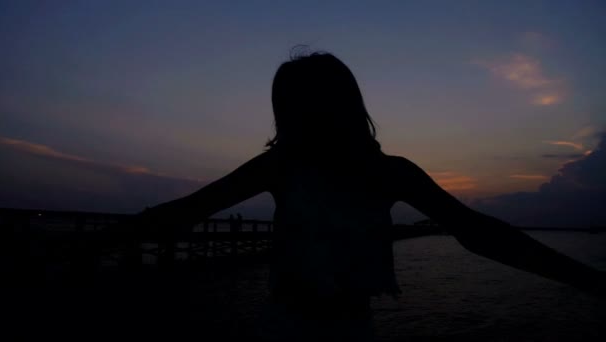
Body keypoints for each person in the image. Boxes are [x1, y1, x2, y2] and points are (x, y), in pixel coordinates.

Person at [134, 52, 605, 340]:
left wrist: (586, 279)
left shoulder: (386, 173)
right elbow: (185, 212)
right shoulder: (287, 167)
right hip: (289, 327)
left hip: (350, 328)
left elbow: (479, 232)